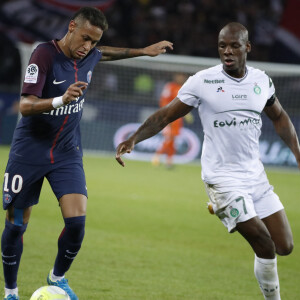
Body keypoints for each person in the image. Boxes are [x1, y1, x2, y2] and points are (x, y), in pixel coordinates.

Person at [116, 22, 300, 300]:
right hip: (222, 178)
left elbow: (280, 117)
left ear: (247, 47)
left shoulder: (262, 80)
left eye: (234, 46)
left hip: (255, 177)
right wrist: (134, 138)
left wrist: (298, 154)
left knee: (284, 246)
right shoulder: (203, 81)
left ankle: (222, 207)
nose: (227, 51)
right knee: (264, 244)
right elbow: (165, 115)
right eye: (222, 46)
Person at [1, 7, 173, 300]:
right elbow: (27, 105)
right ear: (71, 26)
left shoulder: (91, 53)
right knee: (17, 225)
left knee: (77, 223)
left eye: (93, 41)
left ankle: (57, 277)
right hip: (29, 151)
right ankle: (11, 292)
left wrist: (144, 51)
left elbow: (106, 52)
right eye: (84, 38)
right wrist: (60, 99)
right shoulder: (43, 55)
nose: (87, 47)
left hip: (67, 152)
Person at [151, 73, 191, 168]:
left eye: (183, 76)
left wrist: (187, 113)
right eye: (179, 76)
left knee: (173, 140)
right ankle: (156, 156)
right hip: (169, 116)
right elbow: (163, 100)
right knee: (169, 138)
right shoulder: (170, 87)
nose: (181, 78)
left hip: (178, 118)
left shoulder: (184, 88)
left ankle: (169, 161)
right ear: (175, 77)